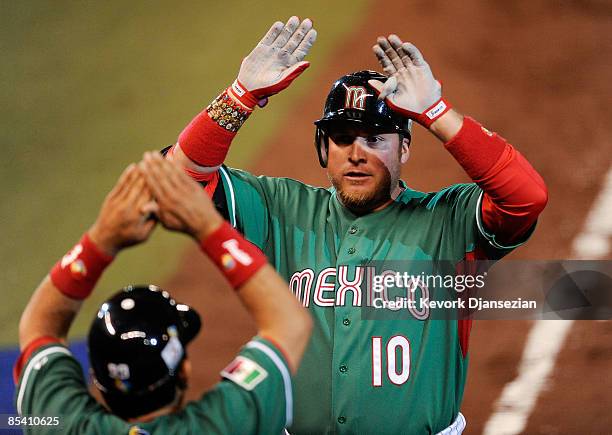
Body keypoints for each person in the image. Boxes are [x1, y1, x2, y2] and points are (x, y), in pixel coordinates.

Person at [168, 18, 548, 434]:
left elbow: (526, 198)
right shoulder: (280, 208)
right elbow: (178, 180)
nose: (356, 153)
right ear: (323, 148)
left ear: (405, 147)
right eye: (343, 137)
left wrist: (435, 114)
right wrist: (238, 97)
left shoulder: (449, 222)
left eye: (375, 137)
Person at [14, 155, 312, 434]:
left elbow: (39, 328)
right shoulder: (224, 422)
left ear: (98, 379)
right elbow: (290, 322)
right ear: (184, 370)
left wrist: (101, 240)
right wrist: (208, 227)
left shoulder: (63, 423)